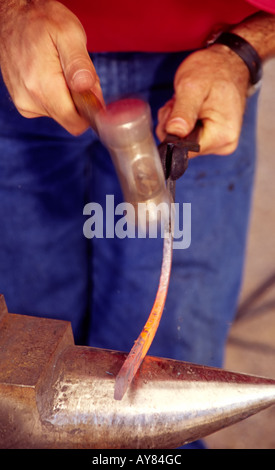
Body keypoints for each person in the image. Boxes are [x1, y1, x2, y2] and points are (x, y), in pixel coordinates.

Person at [0, 0, 275, 448]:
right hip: (13, 64)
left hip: (203, 62)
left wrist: (244, 51)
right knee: (18, 379)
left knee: (169, 386)